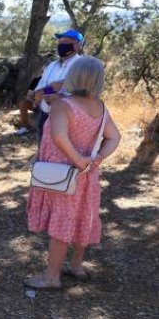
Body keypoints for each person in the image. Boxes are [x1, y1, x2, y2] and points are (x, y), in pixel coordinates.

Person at [24, 56, 121, 289]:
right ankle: (76, 266)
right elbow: (115, 137)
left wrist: (78, 161)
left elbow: (59, 137)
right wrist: (96, 159)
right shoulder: (100, 107)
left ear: (73, 76)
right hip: (87, 175)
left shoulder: (63, 106)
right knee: (81, 218)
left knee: (62, 223)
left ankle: (51, 277)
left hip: (63, 174)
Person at [31, 29, 83, 145]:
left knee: (66, 156)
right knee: (43, 153)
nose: (61, 45)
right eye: (60, 42)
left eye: (66, 42)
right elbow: (37, 94)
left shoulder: (82, 66)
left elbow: (84, 96)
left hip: (69, 120)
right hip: (44, 117)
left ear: (78, 46)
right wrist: (50, 88)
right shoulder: (51, 66)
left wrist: (60, 96)